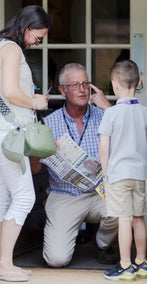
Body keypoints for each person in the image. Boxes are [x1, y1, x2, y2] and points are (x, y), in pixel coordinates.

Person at [0, 5, 50, 282]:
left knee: (1, 198)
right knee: (24, 197)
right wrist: (35, 101)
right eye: (38, 36)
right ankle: (6, 264)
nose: (38, 42)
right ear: (26, 27)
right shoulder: (11, 49)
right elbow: (10, 91)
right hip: (9, 136)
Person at [41, 63, 118, 267]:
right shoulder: (49, 124)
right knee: (57, 259)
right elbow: (34, 167)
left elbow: (130, 141)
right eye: (75, 85)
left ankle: (102, 243)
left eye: (85, 83)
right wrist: (43, 148)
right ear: (62, 90)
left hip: (99, 193)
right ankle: (70, 231)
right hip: (64, 194)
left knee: (124, 202)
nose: (82, 89)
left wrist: (109, 108)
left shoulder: (104, 115)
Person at [98, 59, 147, 281]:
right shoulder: (146, 112)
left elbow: (104, 148)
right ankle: (142, 263)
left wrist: (106, 173)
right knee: (138, 218)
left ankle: (125, 265)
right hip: (138, 174)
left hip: (118, 174)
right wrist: (141, 162)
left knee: (124, 219)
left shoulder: (111, 114)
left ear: (114, 85)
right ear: (139, 82)